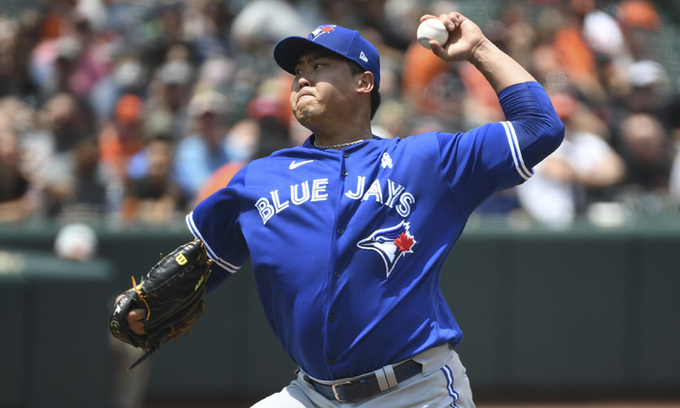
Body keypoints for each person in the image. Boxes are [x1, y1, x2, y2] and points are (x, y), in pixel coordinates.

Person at [115, 10, 564, 407]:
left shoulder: (427, 161)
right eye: (298, 71)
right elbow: (202, 263)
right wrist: (146, 305)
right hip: (311, 395)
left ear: (363, 82)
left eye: (318, 66)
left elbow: (540, 127)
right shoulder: (259, 177)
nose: (301, 79)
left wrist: (479, 49)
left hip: (415, 392)